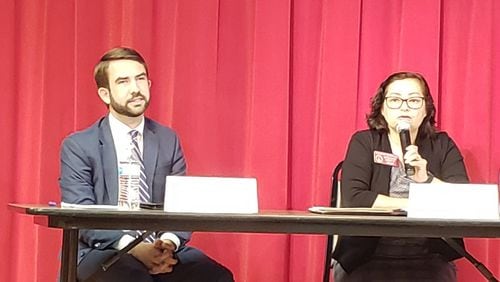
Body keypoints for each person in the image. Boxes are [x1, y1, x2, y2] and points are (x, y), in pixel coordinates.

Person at [59, 47, 234, 282]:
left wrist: (168, 245)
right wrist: (135, 248)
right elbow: (81, 217)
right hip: (100, 250)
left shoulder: (167, 139)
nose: (135, 89)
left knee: (216, 277)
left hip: (160, 247)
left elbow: (181, 207)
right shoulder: (79, 145)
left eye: (141, 79)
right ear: (105, 94)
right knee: (134, 277)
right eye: (123, 81)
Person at [332, 71, 469, 281]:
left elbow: (464, 200)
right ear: (383, 109)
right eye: (395, 100)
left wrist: (428, 179)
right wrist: (414, 206)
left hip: (430, 255)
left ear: (426, 110)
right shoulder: (364, 142)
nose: (404, 106)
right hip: (366, 254)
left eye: (414, 100)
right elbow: (355, 198)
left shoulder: (442, 145)